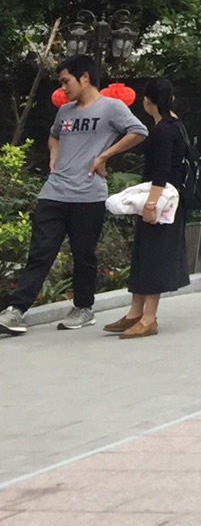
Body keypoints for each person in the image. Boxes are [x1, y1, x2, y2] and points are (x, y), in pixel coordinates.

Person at [0, 54, 148, 337]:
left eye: (66, 81)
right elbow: (54, 135)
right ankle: (16, 311)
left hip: (88, 196)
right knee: (40, 253)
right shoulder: (65, 111)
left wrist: (105, 154)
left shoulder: (111, 107)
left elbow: (139, 132)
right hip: (54, 193)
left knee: (84, 255)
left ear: (85, 78)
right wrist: (54, 155)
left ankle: (83, 308)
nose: (63, 88)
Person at [110, 77, 192, 338]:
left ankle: (148, 318)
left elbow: (162, 170)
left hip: (162, 199)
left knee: (153, 257)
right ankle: (135, 312)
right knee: (145, 254)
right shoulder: (175, 126)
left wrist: (151, 204)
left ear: (147, 101)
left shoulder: (163, 131)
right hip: (171, 198)